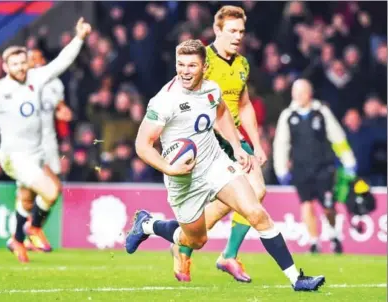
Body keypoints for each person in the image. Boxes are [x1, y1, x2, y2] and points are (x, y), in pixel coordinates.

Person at [126, 39, 325, 292]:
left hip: (215, 164)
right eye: (180, 65)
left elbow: (221, 114)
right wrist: (169, 168)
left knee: (255, 211)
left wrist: (236, 146)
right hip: (182, 178)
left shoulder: (211, 90)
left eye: (192, 65)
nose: (185, 71)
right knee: (196, 240)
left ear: (205, 67)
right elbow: (143, 145)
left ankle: (297, 279)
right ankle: (146, 224)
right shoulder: (164, 101)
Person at [0, 18, 91, 262]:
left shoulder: (36, 78)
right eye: (15, 64)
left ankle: (17, 240)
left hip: (36, 152)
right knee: (51, 192)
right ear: (5, 65)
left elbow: (62, 62)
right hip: (14, 156)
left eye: (23, 62)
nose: (20, 67)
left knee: (30, 196)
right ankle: (33, 229)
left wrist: (79, 37)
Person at [170, 5, 267, 283]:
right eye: (232, 31)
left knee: (256, 192)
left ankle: (210, 250)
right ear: (217, 30)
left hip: (234, 139)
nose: (238, 37)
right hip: (208, 139)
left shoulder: (242, 64)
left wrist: (256, 145)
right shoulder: (204, 60)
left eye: (241, 32)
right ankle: (192, 245)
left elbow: (244, 105)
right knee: (249, 194)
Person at [273, 79, 357, 254]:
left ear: (309, 93)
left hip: (323, 168)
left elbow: (337, 137)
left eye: (301, 92)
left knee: (328, 206)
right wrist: (281, 169)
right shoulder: (288, 115)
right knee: (306, 204)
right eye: (295, 93)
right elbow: (281, 144)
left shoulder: (322, 112)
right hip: (301, 169)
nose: (298, 96)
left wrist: (348, 160)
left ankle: (333, 235)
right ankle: (314, 242)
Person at [23, 48, 73, 252]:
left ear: (44, 60)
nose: (35, 62)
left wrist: (65, 118)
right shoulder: (22, 85)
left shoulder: (55, 84)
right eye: (30, 59)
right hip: (30, 145)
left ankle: (25, 236)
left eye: (37, 58)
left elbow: (61, 111)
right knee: (48, 189)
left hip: (50, 144)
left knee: (43, 194)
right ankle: (29, 231)